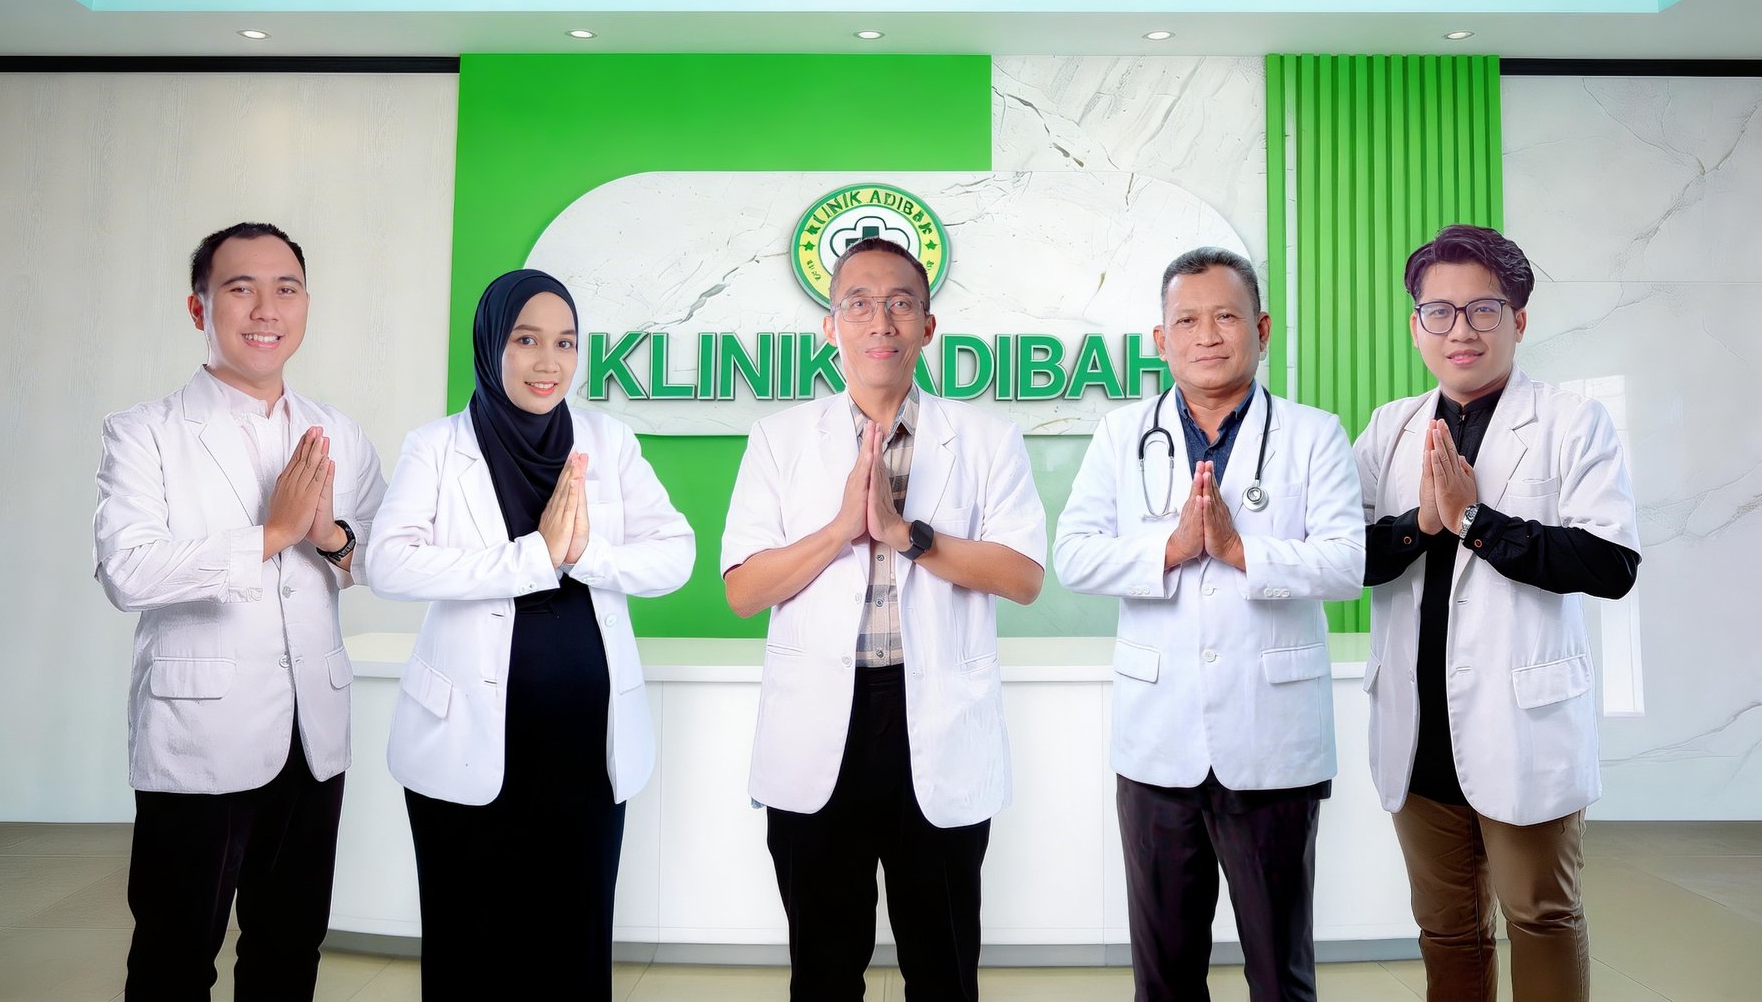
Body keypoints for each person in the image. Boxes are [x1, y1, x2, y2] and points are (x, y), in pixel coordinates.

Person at [720, 236, 1048, 1002]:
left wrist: (907, 534)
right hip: (819, 734)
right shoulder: (779, 439)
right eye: (858, 303)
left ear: (928, 327)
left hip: (934, 720)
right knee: (824, 971)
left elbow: (1024, 576)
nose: (881, 320)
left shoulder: (987, 439)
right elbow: (743, 588)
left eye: (901, 302)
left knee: (943, 967)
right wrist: (842, 529)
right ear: (829, 328)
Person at [366, 269, 694, 1001]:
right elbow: (387, 561)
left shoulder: (609, 441)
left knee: (574, 946)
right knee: (468, 945)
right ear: (492, 344)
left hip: (588, 739)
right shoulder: (436, 445)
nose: (550, 362)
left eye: (567, 343)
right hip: (466, 739)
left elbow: (677, 550)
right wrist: (532, 558)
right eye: (526, 339)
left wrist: (586, 554)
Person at [1055, 246, 1365, 1002]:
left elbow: (1345, 562)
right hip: (1157, 742)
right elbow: (1072, 555)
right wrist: (1170, 548)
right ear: (1160, 340)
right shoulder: (1120, 436)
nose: (1207, 334)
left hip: (1273, 742)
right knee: (1163, 974)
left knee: (1279, 972)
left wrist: (1237, 550)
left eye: (1226, 315)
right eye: (1186, 319)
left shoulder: (1313, 434)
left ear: (1260, 327)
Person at [93, 222, 386, 1001]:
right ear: (199, 309)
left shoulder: (341, 434)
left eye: (285, 288)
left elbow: (379, 558)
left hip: (312, 733)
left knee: (291, 947)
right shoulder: (144, 433)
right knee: (174, 951)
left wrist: (329, 535)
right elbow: (126, 568)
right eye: (240, 287)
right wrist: (272, 535)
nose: (266, 307)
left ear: (306, 305)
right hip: (200, 735)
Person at [1354, 225, 1640, 1002]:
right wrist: (1423, 523)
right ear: (1415, 325)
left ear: (1519, 319)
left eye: (1483, 308)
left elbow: (1611, 564)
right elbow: (1349, 555)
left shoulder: (1571, 423)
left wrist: (1478, 521)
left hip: (1524, 722)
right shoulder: (1389, 428)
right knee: (1446, 928)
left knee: (1541, 916)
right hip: (1418, 731)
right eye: (1438, 312)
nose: (1460, 330)